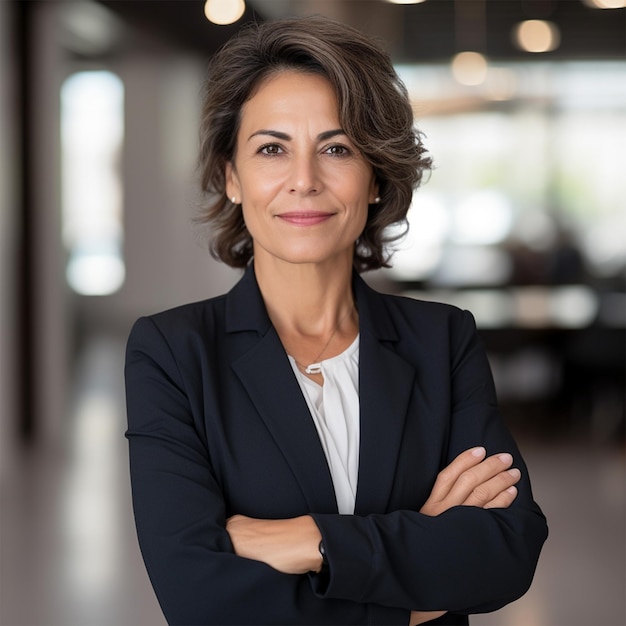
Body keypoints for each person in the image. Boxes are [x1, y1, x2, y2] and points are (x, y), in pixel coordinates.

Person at [125, 15, 547, 626]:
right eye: (272, 149)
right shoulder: (172, 352)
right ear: (231, 177)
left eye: (337, 148)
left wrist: (307, 540)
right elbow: (200, 599)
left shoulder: (442, 339)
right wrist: (410, 589)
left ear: (375, 176)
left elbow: (506, 552)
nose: (304, 180)